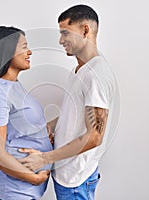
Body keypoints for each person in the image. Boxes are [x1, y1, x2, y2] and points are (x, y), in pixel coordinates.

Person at [18, 5, 116, 200]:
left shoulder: (96, 76)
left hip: (76, 181)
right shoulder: (79, 71)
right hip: (67, 175)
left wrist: (43, 159)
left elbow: (95, 136)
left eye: (65, 33)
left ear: (85, 30)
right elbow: (74, 114)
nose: (60, 40)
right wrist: (51, 126)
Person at [0, 26, 53, 200]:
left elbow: (19, 127)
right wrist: (33, 178)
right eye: (24, 47)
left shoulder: (14, 85)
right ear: (7, 51)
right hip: (11, 193)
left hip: (23, 192)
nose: (30, 52)